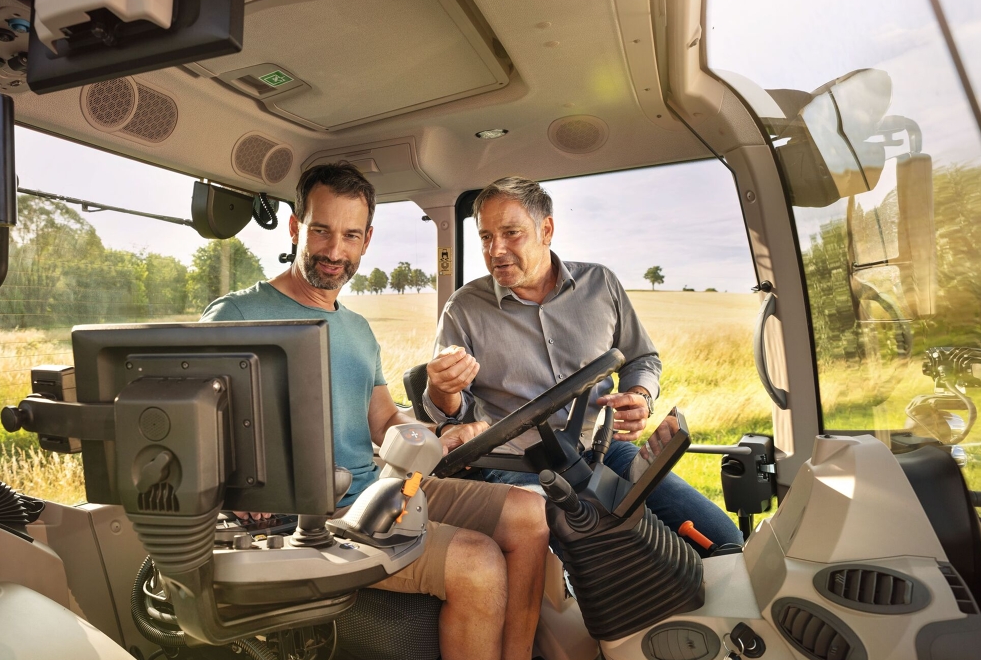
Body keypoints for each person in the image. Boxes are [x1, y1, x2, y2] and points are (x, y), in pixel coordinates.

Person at [200, 163, 549, 660]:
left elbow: (385, 420)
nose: (335, 251)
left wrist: (437, 432)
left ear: (366, 241)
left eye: (350, 235)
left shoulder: (357, 330)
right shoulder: (235, 315)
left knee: (528, 511)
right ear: (297, 227)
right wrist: (236, 488)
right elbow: (198, 430)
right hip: (309, 516)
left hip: (379, 490)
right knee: (479, 562)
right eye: (321, 231)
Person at [422, 176, 743, 551]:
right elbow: (451, 416)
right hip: (515, 465)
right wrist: (442, 388)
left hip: (604, 451)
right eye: (486, 237)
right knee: (586, 559)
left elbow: (641, 357)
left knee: (722, 540)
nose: (496, 250)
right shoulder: (463, 308)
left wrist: (640, 394)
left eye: (511, 233)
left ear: (547, 229)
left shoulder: (601, 284)